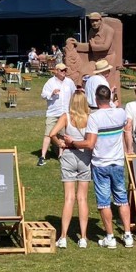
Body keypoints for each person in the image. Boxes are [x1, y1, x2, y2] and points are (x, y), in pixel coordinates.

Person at [75, 84, 133, 248]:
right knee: (122, 199)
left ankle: (110, 237)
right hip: (117, 162)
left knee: (104, 202)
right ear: (109, 98)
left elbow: (90, 143)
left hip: (101, 163)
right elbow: (117, 111)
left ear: (95, 99)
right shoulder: (120, 113)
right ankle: (128, 235)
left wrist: (72, 142)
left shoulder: (95, 117)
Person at [48, 91, 92, 248]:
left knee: (69, 198)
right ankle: (83, 238)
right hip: (85, 157)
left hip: (69, 156)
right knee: (82, 199)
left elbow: (52, 133)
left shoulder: (66, 116)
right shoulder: (90, 117)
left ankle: (64, 237)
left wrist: (60, 144)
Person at [39, 61, 76, 166]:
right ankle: (42, 156)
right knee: (48, 134)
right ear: (56, 71)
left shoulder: (69, 82)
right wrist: (52, 93)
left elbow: (74, 94)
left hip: (65, 113)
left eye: (65, 70)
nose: (64, 72)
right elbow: (43, 94)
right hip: (52, 112)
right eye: (62, 70)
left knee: (62, 135)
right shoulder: (50, 82)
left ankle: (61, 155)